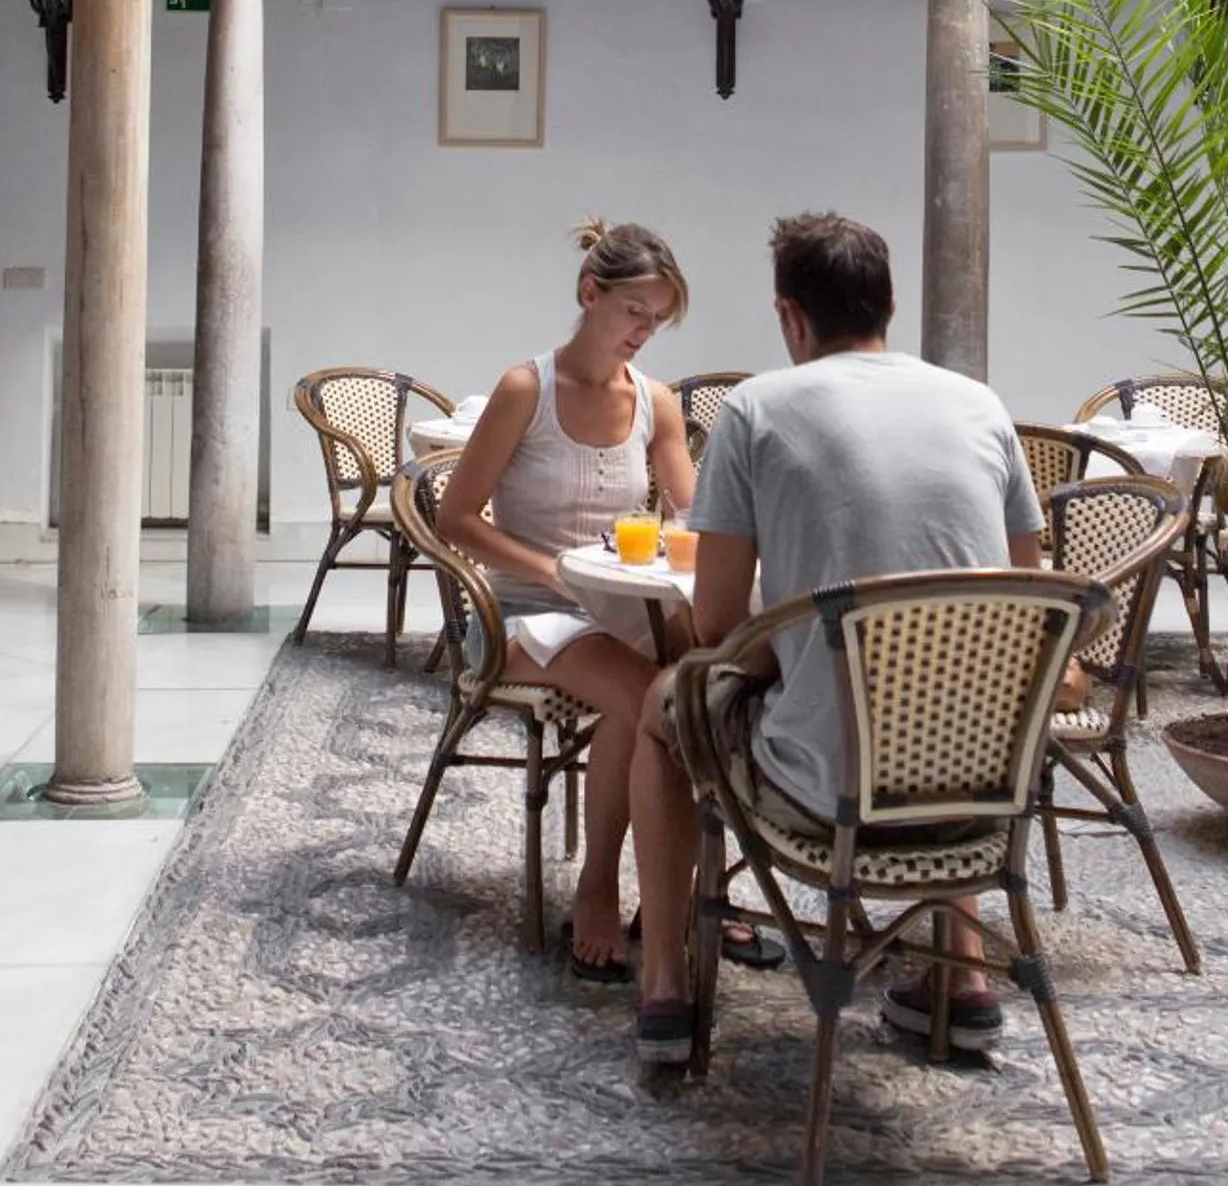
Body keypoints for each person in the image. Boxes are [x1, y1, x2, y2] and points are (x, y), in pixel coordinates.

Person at [628, 210, 1047, 1067]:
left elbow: (716, 630)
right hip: (979, 792)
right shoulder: (980, 403)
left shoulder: (755, 408)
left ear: (790, 317)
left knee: (662, 703)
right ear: (889, 303)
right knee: (944, 683)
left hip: (826, 798)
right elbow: (1030, 598)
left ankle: (665, 983)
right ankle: (963, 978)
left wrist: (786, 646)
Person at [437, 219, 697, 979]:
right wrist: (551, 570)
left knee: (705, 683)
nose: (645, 332)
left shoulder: (656, 403)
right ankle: (596, 889)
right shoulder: (528, 390)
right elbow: (454, 519)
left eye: (658, 319)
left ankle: (672, 891)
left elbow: (690, 514)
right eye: (634, 313)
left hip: (616, 611)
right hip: (519, 613)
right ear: (591, 294)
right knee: (645, 696)